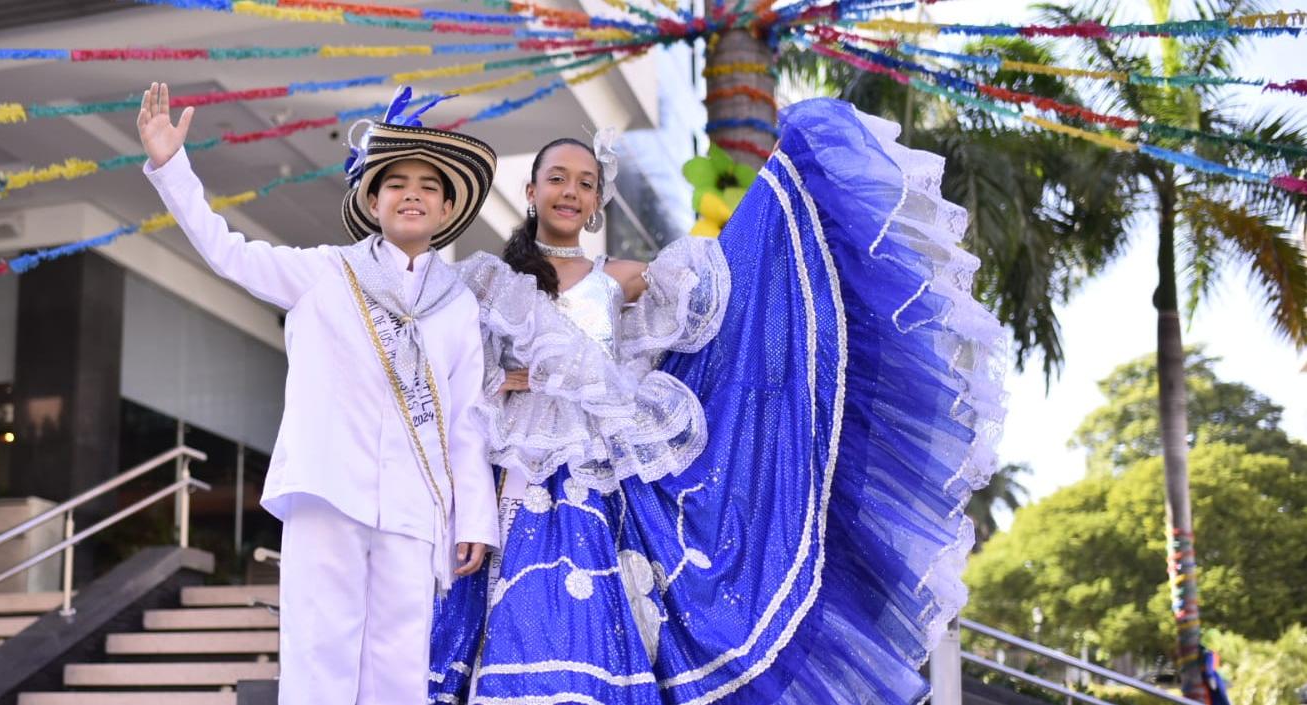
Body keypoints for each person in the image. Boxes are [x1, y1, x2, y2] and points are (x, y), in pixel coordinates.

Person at [429, 98, 1006, 704]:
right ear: (530, 190)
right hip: (515, 466)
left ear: (598, 202)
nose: (571, 192)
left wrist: (782, 200)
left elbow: (728, 290)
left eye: (586, 183)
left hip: (600, 470)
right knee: (505, 610)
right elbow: (460, 373)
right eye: (558, 179)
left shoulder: (622, 276)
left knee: (588, 618)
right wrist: (510, 380)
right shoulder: (488, 279)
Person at [138, 82, 500, 704]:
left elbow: (465, 419)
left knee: (399, 668)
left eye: (428, 187)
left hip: (415, 507)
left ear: (445, 211)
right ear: (372, 199)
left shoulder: (459, 306)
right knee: (319, 658)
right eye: (396, 183)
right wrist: (173, 168)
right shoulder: (325, 272)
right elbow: (229, 253)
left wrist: (474, 516)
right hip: (328, 490)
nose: (412, 193)